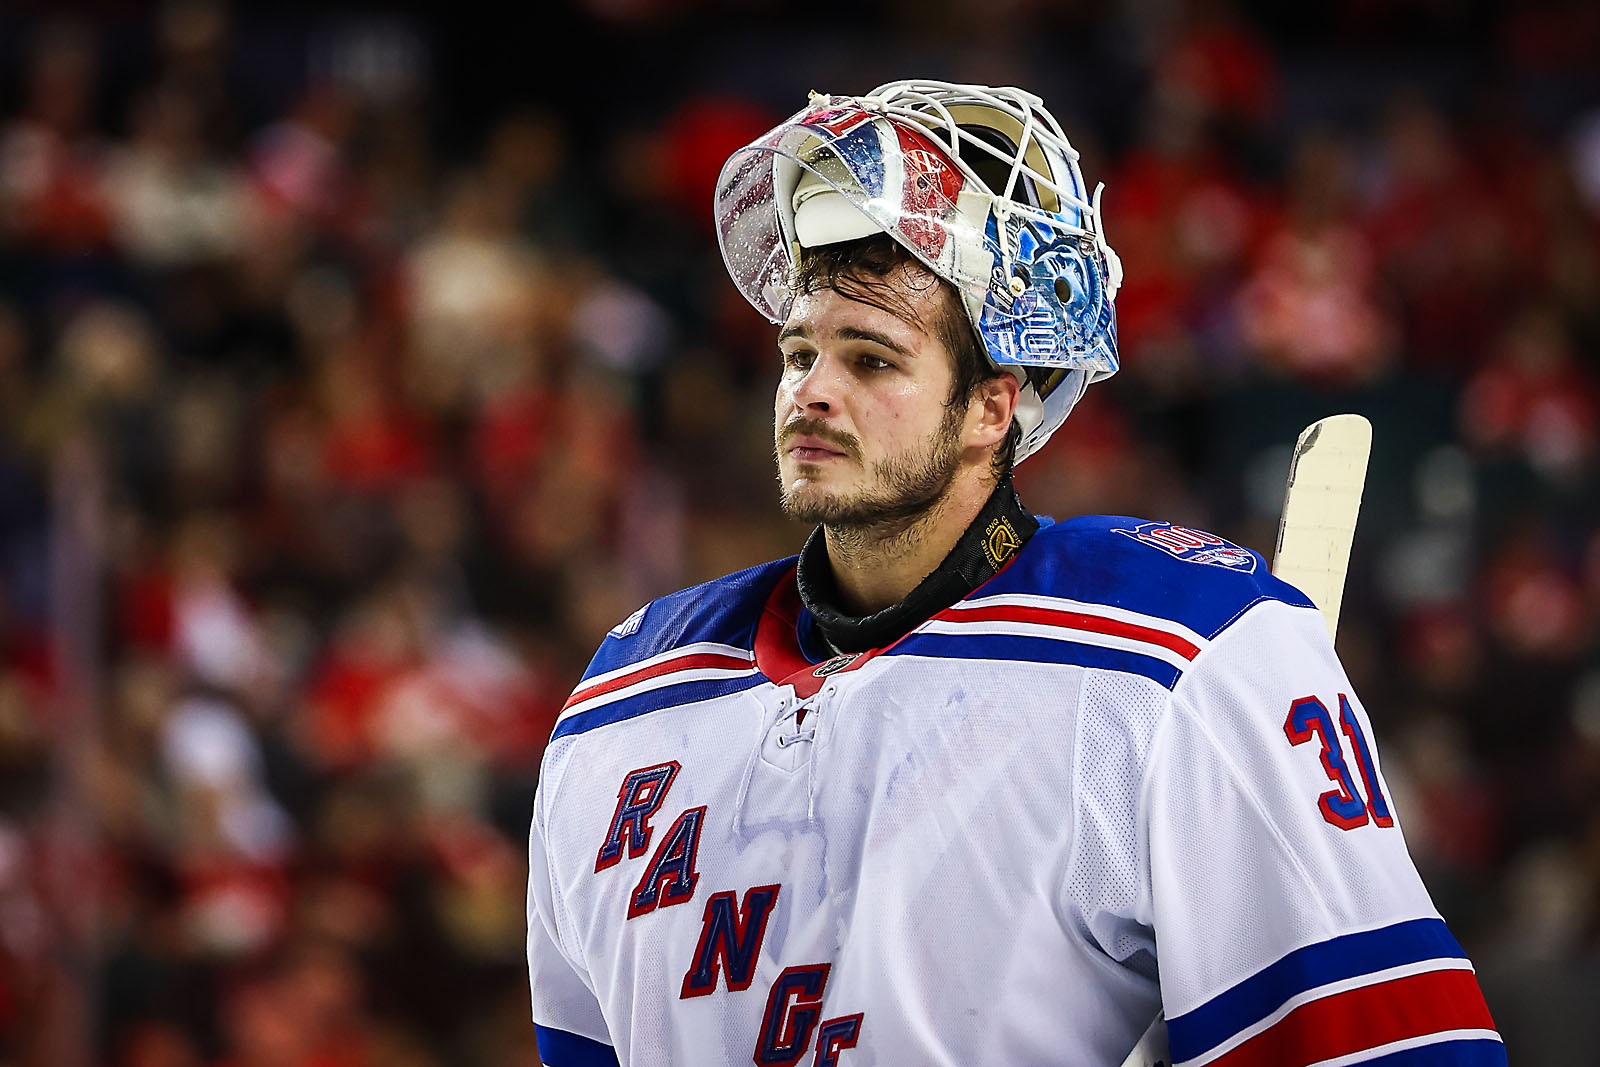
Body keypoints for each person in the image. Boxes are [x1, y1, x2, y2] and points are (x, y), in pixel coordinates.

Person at [525, 80, 1506, 1067]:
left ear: (995, 406)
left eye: (870, 360)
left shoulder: (1180, 655)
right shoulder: (625, 694)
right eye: (797, 353)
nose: (811, 391)